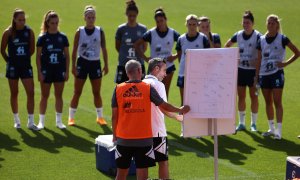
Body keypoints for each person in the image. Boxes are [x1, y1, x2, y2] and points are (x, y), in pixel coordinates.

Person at [112, 60, 190, 180]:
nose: (165, 74)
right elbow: (163, 105)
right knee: (158, 165)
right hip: (148, 136)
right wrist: (179, 111)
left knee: (122, 173)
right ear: (140, 71)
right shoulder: (151, 87)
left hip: (128, 137)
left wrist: (114, 135)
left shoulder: (123, 87)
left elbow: (114, 115)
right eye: (164, 70)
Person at [255, 14, 299, 140]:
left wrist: (285, 63)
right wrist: (256, 76)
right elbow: (259, 59)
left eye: (273, 23)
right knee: (268, 101)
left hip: (276, 73)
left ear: (277, 25)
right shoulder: (261, 39)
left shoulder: (282, 38)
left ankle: (279, 131)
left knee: (277, 101)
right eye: (268, 23)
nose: (270, 25)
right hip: (264, 74)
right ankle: (271, 128)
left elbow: (297, 52)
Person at [68, 5, 109, 126]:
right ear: (84, 18)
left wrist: (106, 65)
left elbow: (104, 48)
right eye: (89, 17)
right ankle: (71, 118)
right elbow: (74, 49)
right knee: (77, 91)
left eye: (93, 17)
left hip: (95, 63)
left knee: (97, 92)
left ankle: (100, 117)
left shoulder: (99, 31)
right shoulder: (79, 31)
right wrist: (73, 66)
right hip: (82, 62)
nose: (91, 19)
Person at [143, 58, 182, 179]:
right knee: (163, 162)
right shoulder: (158, 85)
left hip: (142, 132)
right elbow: (163, 108)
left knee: (143, 164)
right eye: (164, 70)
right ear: (156, 69)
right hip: (157, 131)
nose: (166, 74)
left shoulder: (140, 84)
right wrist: (177, 116)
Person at [225, 11, 262, 132]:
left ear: (253, 23)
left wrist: (257, 71)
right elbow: (227, 46)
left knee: (253, 97)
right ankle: (241, 123)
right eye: (244, 22)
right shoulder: (238, 35)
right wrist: (233, 58)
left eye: (248, 22)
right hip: (240, 70)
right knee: (241, 96)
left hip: (253, 72)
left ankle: (253, 123)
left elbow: (261, 53)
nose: (246, 24)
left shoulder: (258, 36)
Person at [1, 8, 37, 130]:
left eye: (24, 19)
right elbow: (2, 50)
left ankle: (31, 122)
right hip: (13, 68)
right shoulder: (8, 32)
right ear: (15, 20)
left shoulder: (29, 32)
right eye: (20, 20)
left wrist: (23, 59)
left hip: (26, 66)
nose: (22, 22)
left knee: (31, 92)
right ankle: (17, 120)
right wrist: (9, 61)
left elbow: (32, 50)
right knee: (14, 93)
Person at [134, 8, 180, 98]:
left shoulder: (172, 33)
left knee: (165, 91)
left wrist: (175, 56)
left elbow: (184, 44)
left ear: (165, 19)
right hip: (155, 67)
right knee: (154, 92)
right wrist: (146, 58)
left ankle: (163, 112)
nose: (160, 23)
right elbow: (136, 45)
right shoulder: (151, 33)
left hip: (168, 67)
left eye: (161, 21)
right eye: (157, 21)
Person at [36, 10, 70, 129]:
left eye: (56, 23)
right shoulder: (42, 38)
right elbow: (38, 56)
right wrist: (39, 72)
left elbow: (67, 55)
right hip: (46, 71)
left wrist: (66, 71)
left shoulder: (63, 37)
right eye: (52, 23)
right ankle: (41, 122)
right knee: (44, 96)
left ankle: (59, 121)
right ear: (47, 23)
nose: (55, 25)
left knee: (59, 95)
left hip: (59, 70)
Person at [176, 14, 210, 105]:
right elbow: (180, 56)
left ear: (197, 25)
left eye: (194, 24)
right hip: (184, 73)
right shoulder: (181, 39)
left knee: (198, 100)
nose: (191, 27)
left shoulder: (203, 38)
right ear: (186, 25)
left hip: (199, 74)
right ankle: (184, 119)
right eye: (189, 24)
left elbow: (208, 55)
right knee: (184, 102)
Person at [115, 0, 147, 84]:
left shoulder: (143, 29)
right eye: (130, 16)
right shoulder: (121, 29)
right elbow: (118, 46)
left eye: (134, 16)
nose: (132, 18)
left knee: (140, 91)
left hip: (138, 65)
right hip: (123, 65)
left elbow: (145, 47)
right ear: (126, 15)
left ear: (137, 15)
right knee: (121, 90)